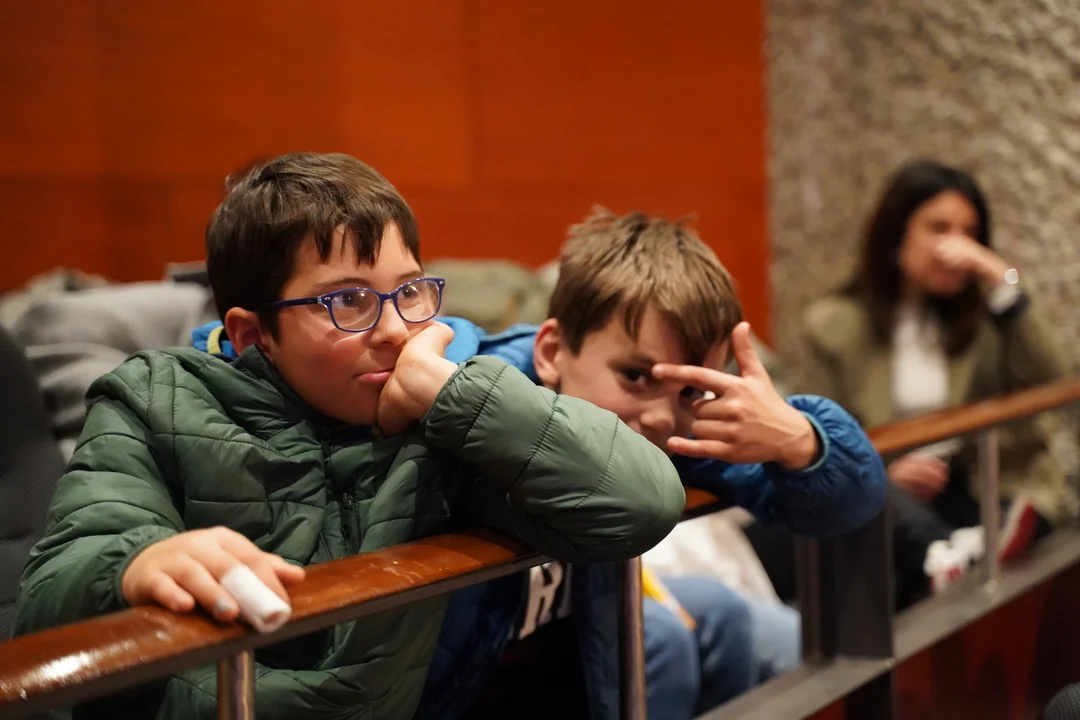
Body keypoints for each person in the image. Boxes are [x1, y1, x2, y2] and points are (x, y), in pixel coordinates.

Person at [12, 153, 687, 720]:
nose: (395, 330)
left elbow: (640, 502)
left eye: (410, 292)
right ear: (253, 334)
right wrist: (138, 563)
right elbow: (48, 601)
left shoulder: (441, 420)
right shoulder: (152, 399)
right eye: (349, 301)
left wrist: (455, 393)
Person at [415, 209, 888, 720]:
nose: (662, 415)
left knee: (723, 614)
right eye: (635, 376)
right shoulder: (460, 400)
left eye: (688, 390)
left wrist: (802, 440)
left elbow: (851, 504)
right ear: (552, 352)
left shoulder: (669, 431)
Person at [802, 160, 1077, 607]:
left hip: (973, 482)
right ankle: (955, 554)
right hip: (891, 488)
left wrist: (1001, 279)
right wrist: (886, 469)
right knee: (879, 498)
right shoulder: (835, 325)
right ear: (897, 232)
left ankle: (972, 547)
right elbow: (819, 433)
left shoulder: (986, 320)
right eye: (939, 228)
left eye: (970, 234)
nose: (956, 247)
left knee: (1017, 510)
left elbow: (1054, 382)